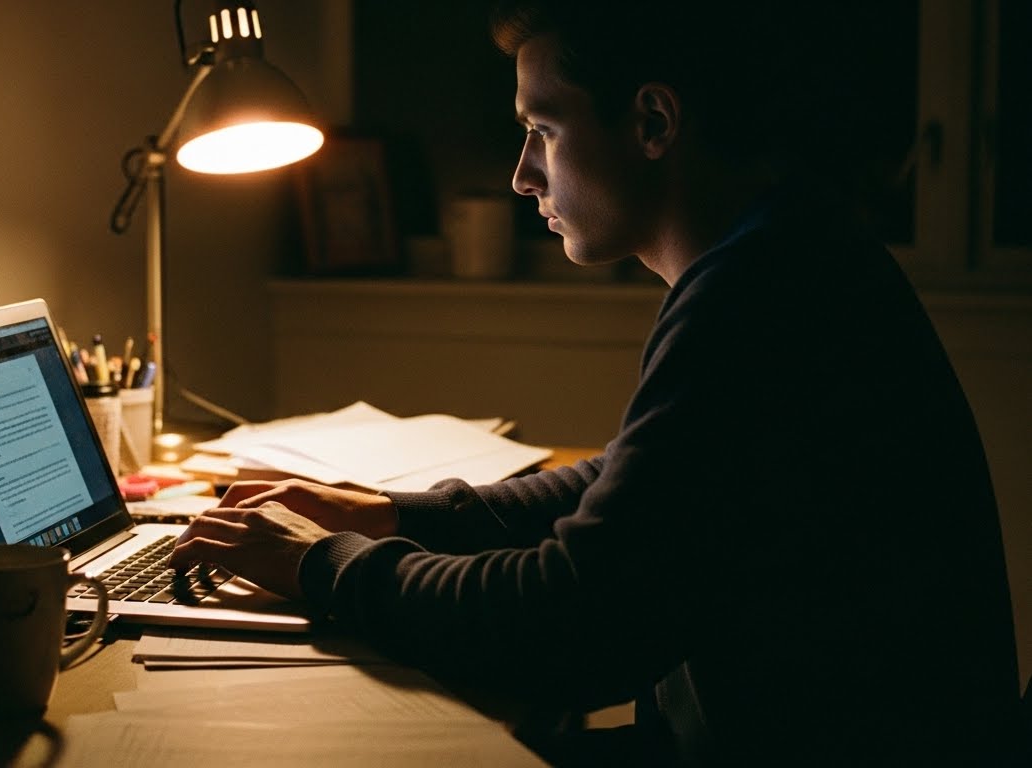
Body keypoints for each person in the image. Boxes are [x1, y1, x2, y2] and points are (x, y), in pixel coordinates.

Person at [172, 1, 1026, 764]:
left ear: (653, 120)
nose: (521, 174)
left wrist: (325, 565)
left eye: (541, 129)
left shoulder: (757, 297)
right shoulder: (789, 250)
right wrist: (396, 515)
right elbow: (640, 485)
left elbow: (575, 623)